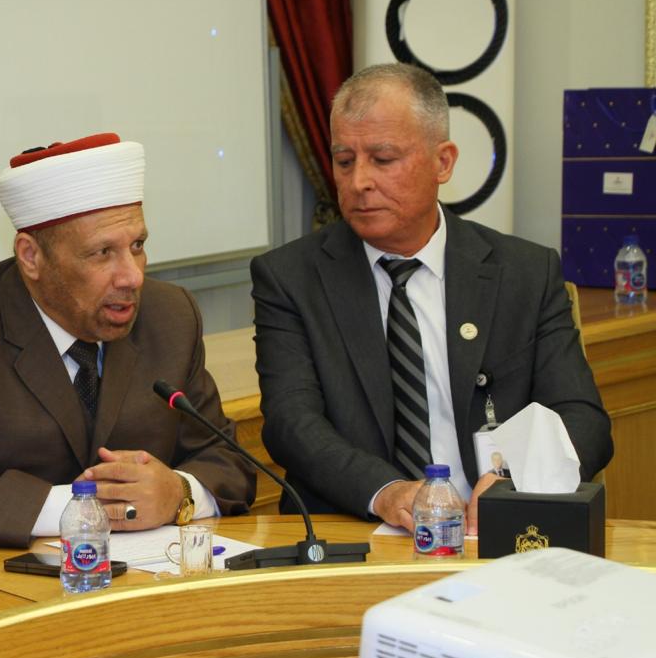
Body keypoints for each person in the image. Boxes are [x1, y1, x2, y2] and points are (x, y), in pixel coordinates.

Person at [250, 63, 612, 533]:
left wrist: (515, 480)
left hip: (499, 531)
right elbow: (292, 425)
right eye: (344, 161)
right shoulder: (291, 278)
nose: (358, 182)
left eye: (383, 159)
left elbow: (583, 420)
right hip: (359, 529)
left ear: (443, 162)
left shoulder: (524, 272)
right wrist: (387, 491)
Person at [0, 133, 255, 546]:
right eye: (102, 253)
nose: (133, 276)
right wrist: (81, 509)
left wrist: (178, 493)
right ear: (31, 257)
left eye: (137, 245)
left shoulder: (170, 316)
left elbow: (228, 461)